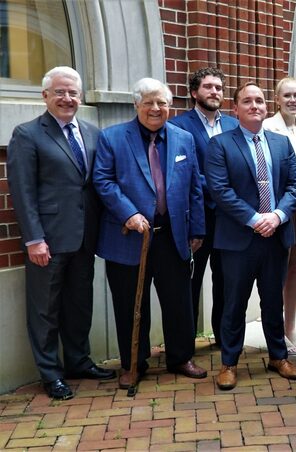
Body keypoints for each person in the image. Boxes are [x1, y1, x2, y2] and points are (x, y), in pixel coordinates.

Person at [7, 66, 114, 400]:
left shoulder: (93, 132)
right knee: (45, 308)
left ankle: (79, 361)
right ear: (45, 96)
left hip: (85, 236)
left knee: (80, 303)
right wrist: (34, 238)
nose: (68, 98)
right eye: (60, 92)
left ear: (80, 97)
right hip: (48, 239)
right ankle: (50, 373)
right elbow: (22, 192)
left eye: (73, 93)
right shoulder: (27, 134)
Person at [93, 78, 207, 389]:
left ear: (169, 106)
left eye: (161, 103)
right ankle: (133, 363)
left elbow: (195, 186)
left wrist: (197, 228)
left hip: (172, 236)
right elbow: (103, 181)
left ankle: (181, 357)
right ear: (136, 106)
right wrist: (128, 213)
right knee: (131, 305)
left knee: (179, 301)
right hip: (128, 238)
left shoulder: (184, 139)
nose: (155, 109)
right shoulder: (113, 137)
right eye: (148, 102)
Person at [205, 82, 296, 390]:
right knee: (234, 303)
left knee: (273, 301)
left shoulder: (280, 143)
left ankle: (278, 355)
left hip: (275, 236)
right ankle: (229, 363)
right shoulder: (220, 144)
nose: (254, 106)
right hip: (238, 239)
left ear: (266, 106)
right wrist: (253, 218)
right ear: (235, 109)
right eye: (247, 101)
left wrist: (276, 216)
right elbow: (220, 190)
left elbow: (295, 185)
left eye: (259, 101)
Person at [169, 67, 239, 343]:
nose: (214, 92)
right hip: (198, 217)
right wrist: (222, 187)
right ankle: (184, 343)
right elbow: (184, 172)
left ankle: (223, 338)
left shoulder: (234, 125)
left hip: (230, 218)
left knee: (225, 279)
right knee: (191, 281)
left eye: (219, 88)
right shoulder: (179, 126)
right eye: (208, 87)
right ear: (194, 92)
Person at [263, 77, 296, 355]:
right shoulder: (268, 126)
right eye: (287, 95)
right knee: (278, 269)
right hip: (278, 197)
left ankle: (289, 325)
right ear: (277, 98)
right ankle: (274, 329)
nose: (293, 100)